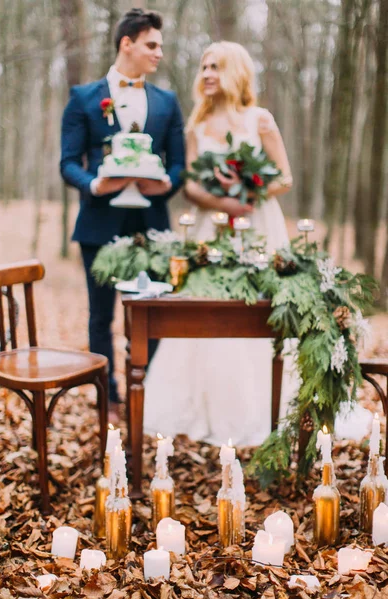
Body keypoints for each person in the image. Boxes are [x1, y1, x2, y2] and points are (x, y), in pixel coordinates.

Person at [144, 41, 295, 446]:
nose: (207, 73)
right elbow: (192, 185)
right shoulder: (197, 125)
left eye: (216, 66)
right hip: (212, 229)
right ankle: (205, 407)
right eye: (204, 66)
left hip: (258, 227)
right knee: (205, 308)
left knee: (257, 309)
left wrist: (249, 190)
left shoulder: (259, 120)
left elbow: (284, 176)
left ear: (236, 72)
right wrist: (222, 201)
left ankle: (262, 407)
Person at [60, 8, 185, 420]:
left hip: (152, 228)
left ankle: (144, 388)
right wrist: (95, 183)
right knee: (101, 317)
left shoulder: (167, 102)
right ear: (126, 43)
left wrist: (165, 182)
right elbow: (68, 163)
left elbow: (179, 165)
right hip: (99, 224)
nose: (159, 53)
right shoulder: (84, 98)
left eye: (161, 46)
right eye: (152, 44)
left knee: (156, 314)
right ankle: (108, 396)